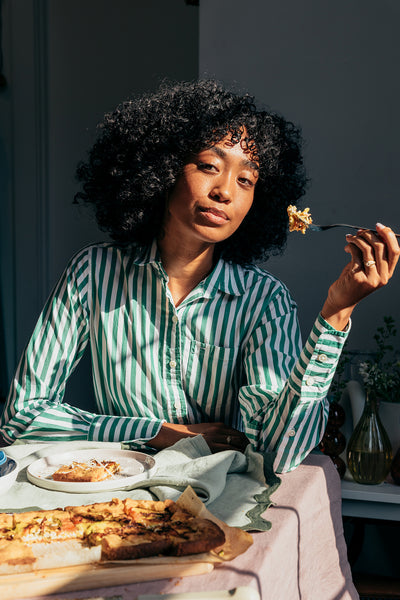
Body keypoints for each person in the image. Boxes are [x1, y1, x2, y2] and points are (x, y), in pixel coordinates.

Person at [0, 80, 398, 473]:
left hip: (217, 504)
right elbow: (22, 418)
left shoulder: (264, 301)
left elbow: (280, 451)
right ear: (164, 170)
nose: (225, 191)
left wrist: (336, 312)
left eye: (246, 180)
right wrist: (155, 432)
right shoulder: (93, 273)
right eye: (209, 166)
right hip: (112, 495)